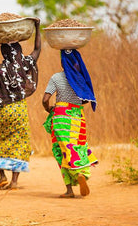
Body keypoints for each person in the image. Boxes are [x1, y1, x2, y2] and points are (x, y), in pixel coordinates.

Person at [0, 19, 42, 190]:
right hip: (18, 110)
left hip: (3, 110)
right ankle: (15, 181)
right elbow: (38, 48)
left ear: (3, 52)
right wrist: (37, 27)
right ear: (19, 50)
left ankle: (2, 176)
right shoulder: (25, 64)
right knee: (18, 143)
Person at [42, 48, 98, 198]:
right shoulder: (80, 78)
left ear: (62, 62)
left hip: (61, 117)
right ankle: (82, 174)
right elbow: (87, 98)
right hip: (77, 117)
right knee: (78, 146)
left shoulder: (56, 78)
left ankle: (69, 189)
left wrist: (49, 110)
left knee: (61, 150)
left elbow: (45, 99)